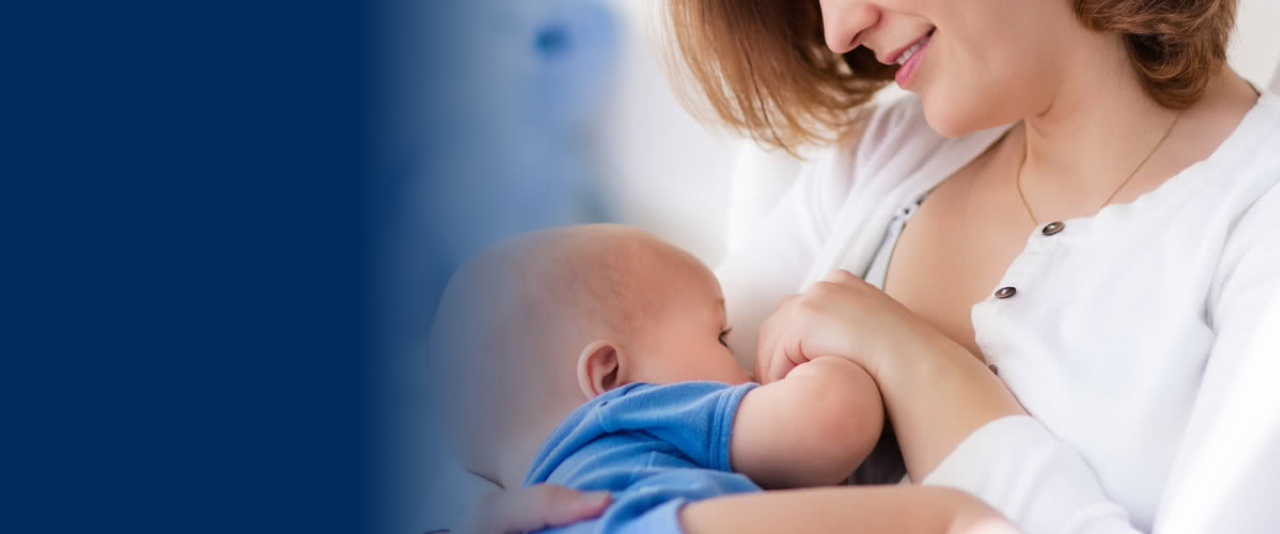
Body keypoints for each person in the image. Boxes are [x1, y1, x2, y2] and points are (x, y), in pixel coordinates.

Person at [474, 0, 1280, 532]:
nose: (839, 26)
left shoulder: (1255, 218)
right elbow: (583, 413)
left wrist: (917, 364)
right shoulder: (879, 165)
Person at [433, 225, 956, 532]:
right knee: (955, 518)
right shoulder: (627, 412)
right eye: (723, 337)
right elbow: (834, 417)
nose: (747, 366)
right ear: (609, 374)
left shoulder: (537, 503)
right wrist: (825, 357)